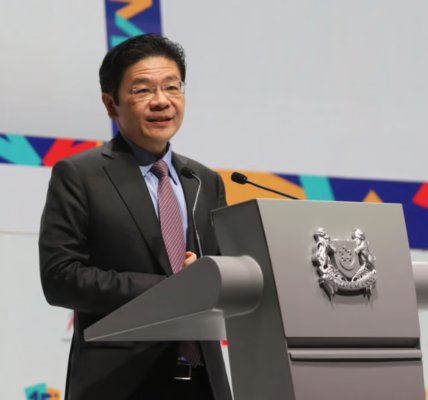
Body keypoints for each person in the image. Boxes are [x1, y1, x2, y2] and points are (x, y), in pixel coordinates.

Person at [39, 34, 232, 400]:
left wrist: (216, 274)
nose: (162, 101)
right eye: (143, 90)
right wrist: (171, 288)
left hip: (203, 380)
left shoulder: (203, 180)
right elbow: (59, 277)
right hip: (120, 382)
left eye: (172, 87)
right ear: (111, 104)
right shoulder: (80, 175)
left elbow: (218, 270)